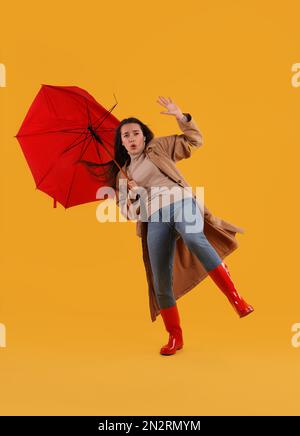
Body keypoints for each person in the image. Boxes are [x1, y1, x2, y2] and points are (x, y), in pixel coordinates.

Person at [112, 96, 254, 356]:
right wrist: (134, 193)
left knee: (193, 236)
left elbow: (194, 140)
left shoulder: (159, 147)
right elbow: (129, 212)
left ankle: (236, 299)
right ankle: (174, 336)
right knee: (160, 278)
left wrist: (181, 117)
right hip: (154, 216)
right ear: (121, 142)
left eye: (135, 133)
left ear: (143, 136)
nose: (131, 138)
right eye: (126, 136)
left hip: (180, 201)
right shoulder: (123, 174)